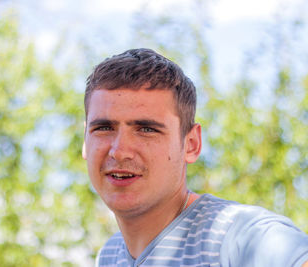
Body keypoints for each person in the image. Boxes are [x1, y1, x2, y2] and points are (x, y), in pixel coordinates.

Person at [82, 48, 308, 267]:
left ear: (191, 144)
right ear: (85, 141)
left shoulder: (244, 238)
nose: (119, 151)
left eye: (147, 129)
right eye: (103, 128)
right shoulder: (110, 254)